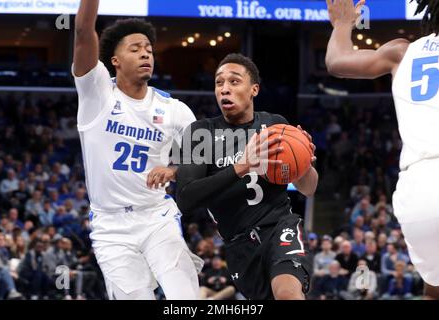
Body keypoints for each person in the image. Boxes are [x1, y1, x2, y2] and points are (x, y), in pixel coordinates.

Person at [72, 0, 202, 300]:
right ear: (114, 60)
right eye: (135, 48)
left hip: (156, 216)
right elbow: (82, 31)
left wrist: (174, 170)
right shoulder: (97, 94)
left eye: (149, 48)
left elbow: (204, 158)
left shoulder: (174, 109)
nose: (145, 53)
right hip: (110, 225)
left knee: (185, 298)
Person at [176, 53, 318, 300]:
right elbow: (186, 199)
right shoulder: (201, 133)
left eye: (234, 81)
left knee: (288, 294)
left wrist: (304, 165)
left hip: (279, 227)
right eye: (219, 83)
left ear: (254, 89)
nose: (224, 89)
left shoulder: (275, 125)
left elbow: (308, 188)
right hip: (239, 245)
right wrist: (241, 167)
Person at [325, 0, 439, 299]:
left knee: (433, 289)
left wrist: (342, 25)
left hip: (420, 188)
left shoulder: (402, 51)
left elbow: (337, 62)